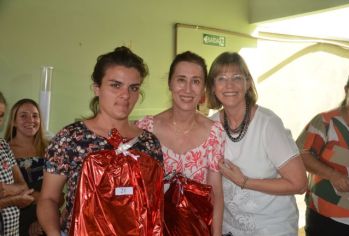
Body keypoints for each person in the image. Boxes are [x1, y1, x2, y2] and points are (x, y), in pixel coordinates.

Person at [37, 46, 164, 236]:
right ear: (97, 88)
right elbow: (48, 198)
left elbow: (154, 203)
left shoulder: (148, 143)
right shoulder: (71, 139)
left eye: (133, 88)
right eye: (115, 85)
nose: (125, 95)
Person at [206, 52, 307, 236]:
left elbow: (300, 184)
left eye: (237, 77)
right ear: (213, 87)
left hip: (272, 228)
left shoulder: (267, 124)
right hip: (231, 228)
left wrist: (244, 181)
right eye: (221, 78)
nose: (229, 85)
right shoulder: (211, 125)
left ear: (248, 83)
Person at [136, 51, 224, 235]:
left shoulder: (214, 132)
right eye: (181, 80)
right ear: (170, 83)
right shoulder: (146, 128)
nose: (188, 89)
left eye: (196, 81)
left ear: (203, 89)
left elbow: (215, 191)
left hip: (196, 230)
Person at [296, 69, 349, 236]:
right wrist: (333, 175)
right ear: (347, 90)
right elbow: (300, 154)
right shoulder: (326, 122)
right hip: (327, 219)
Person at [4, 98, 48, 236]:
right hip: (15, 222)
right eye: (23, 116)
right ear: (13, 121)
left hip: (46, 220)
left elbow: (60, 196)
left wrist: (42, 221)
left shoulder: (50, 149)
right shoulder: (4, 151)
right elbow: (6, 191)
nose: (31, 120)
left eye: (35, 115)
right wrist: (46, 199)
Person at [0, 92, 35, 236]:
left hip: (11, 230)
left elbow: (23, 186)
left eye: (1, 115)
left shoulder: (3, 145)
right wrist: (14, 199)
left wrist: (4, 189)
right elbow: (19, 191)